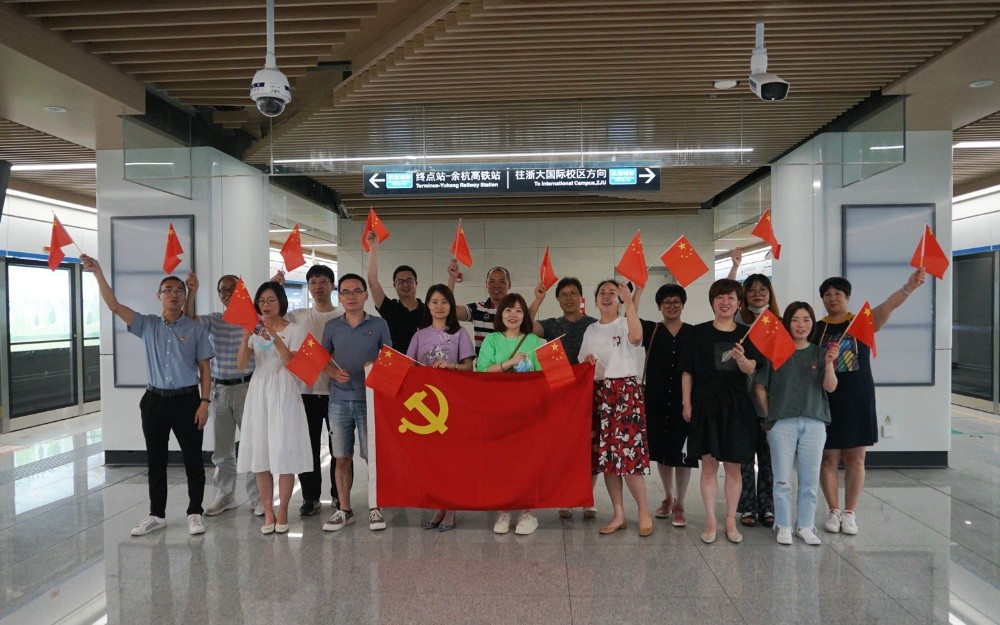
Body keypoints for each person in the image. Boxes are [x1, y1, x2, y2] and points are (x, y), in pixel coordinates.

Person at [81, 254, 213, 537]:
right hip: (154, 401)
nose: (174, 295)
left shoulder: (195, 328)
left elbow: (205, 367)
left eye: (179, 291)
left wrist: (205, 402)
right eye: (168, 290)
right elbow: (114, 306)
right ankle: (157, 514)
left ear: (184, 296)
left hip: (188, 400)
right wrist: (98, 272)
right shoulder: (147, 324)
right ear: (159, 296)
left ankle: (195, 512)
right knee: (156, 459)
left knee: (193, 459)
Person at [812, 269, 926, 536]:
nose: (832, 298)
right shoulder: (817, 328)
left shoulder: (861, 322)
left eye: (838, 294)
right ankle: (833, 510)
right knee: (828, 458)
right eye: (827, 294)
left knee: (856, 458)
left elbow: (888, 306)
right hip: (826, 398)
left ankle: (850, 513)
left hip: (858, 397)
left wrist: (909, 287)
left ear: (847, 297)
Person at [681, 279, 761, 544]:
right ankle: (711, 521)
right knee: (708, 467)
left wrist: (741, 359)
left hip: (737, 407)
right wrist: (687, 403)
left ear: (738, 303)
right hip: (705, 405)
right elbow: (687, 371)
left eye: (730, 298)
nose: (725, 302)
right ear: (712, 302)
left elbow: (752, 368)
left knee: (734, 467)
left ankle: (730, 520)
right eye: (719, 297)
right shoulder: (698, 333)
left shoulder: (747, 333)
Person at [754, 302, 839, 545]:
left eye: (806, 320)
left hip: (814, 422)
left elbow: (830, 387)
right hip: (782, 423)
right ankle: (783, 524)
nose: (801, 325)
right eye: (795, 320)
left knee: (809, 478)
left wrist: (829, 363)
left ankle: (805, 525)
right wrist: (769, 416)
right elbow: (760, 386)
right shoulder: (775, 351)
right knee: (781, 478)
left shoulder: (820, 353)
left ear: (812, 324)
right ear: (787, 323)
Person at [235, 282, 313, 534]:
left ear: (281, 302)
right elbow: (241, 364)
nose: (266, 305)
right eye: (262, 301)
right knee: (261, 453)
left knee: (285, 450)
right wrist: (245, 338)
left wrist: (275, 337)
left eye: (271, 300)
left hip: (285, 389)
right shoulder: (254, 329)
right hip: (259, 391)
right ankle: (268, 511)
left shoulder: (295, 330)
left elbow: (292, 362)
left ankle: (283, 511)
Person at [578, 280, 654, 538]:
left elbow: (637, 337)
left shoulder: (625, 322)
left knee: (629, 458)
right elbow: (583, 360)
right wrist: (588, 361)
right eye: (602, 292)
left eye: (612, 293)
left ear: (619, 299)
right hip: (600, 394)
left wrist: (630, 301)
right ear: (595, 299)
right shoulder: (590, 329)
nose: (607, 296)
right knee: (608, 460)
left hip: (624, 393)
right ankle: (618, 514)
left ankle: (644, 512)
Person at [183, 273, 261, 517]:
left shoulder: (255, 320)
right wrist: (192, 292)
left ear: (242, 292)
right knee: (222, 449)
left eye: (232, 289)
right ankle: (225, 496)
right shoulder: (215, 320)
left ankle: (258, 497)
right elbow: (188, 319)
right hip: (219, 390)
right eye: (223, 290)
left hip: (247, 388)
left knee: (252, 444)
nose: (227, 294)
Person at [320, 274, 393, 532]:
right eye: (345, 292)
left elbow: (390, 359)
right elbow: (321, 358)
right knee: (341, 456)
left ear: (365, 295)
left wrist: (376, 366)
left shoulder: (379, 324)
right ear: (339, 297)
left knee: (372, 458)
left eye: (356, 291)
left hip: (370, 401)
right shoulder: (332, 326)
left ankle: (375, 507)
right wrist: (332, 372)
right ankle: (344, 509)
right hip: (339, 400)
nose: (351, 296)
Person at [276, 265, 346, 518]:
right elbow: (271, 316)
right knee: (308, 446)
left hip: (336, 391)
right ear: (308, 286)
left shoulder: (342, 315)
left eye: (324, 281)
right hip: (304, 391)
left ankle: (339, 495)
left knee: (339, 448)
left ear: (332, 285)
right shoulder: (297, 316)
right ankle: (310, 497)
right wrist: (277, 287)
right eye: (313, 282)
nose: (318, 287)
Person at [529, 276, 599, 519]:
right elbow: (525, 327)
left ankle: (587, 497)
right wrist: (538, 300)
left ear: (581, 298)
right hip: (560, 395)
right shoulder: (551, 325)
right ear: (558, 299)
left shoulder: (594, 325)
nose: (569, 298)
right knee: (564, 447)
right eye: (563, 294)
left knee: (590, 447)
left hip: (589, 393)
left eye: (573, 293)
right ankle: (566, 497)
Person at [406, 284, 475, 532]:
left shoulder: (460, 334)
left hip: (453, 403)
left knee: (451, 459)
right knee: (433, 460)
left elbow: (468, 367)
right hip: (427, 404)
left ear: (451, 306)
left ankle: (451, 508)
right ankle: (439, 506)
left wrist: (451, 366)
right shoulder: (419, 335)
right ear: (428, 305)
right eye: (434, 301)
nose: (439, 306)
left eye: (444, 302)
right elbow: (409, 366)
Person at [476, 292, 544, 535]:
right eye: (508, 309)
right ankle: (504, 509)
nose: (513, 314)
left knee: (528, 461)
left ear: (525, 315)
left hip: (528, 413)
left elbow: (547, 375)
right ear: (500, 314)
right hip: (498, 411)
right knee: (502, 461)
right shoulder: (492, 339)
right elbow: (483, 371)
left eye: (518, 310)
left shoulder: (534, 341)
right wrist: (510, 362)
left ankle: (528, 512)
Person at [633, 283, 697, 528]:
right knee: (661, 451)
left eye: (676, 301)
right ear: (659, 306)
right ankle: (668, 498)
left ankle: (681, 503)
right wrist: (637, 293)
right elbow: (630, 321)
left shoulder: (693, 332)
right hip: (656, 399)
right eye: (667, 302)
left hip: (685, 400)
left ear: (683, 305)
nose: (672, 305)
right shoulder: (652, 330)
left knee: (683, 454)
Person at [734, 273, 781, 529]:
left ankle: (768, 505)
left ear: (770, 293)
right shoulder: (737, 321)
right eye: (751, 290)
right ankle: (748, 506)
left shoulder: (778, 323)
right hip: (742, 398)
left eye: (763, 289)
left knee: (768, 457)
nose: (757, 294)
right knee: (744, 457)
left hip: (770, 399)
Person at [366, 231, 427, 353]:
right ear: (394, 285)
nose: (405, 285)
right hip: (395, 363)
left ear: (416, 283)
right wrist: (373, 248)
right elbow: (372, 282)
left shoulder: (428, 310)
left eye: (409, 281)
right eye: (400, 281)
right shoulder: (389, 308)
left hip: (422, 362)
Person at [448, 261, 511, 353]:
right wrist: (452, 278)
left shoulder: (517, 311)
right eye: (492, 281)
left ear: (509, 285)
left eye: (501, 282)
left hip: (512, 361)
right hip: (483, 362)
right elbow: (449, 311)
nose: (496, 285)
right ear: (486, 284)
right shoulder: (477, 308)